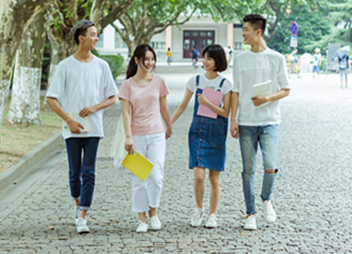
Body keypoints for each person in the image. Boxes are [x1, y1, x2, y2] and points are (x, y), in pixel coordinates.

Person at [45, 19, 118, 234]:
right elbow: (51, 98)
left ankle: (83, 215)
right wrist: (69, 121)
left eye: (97, 35)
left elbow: (113, 97)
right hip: (72, 129)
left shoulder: (101, 66)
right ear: (81, 38)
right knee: (74, 172)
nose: (96, 38)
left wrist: (95, 108)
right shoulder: (65, 66)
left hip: (93, 128)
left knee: (89, 172)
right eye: (93, 34)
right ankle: (77, 205)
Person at [229, 14, 290, 230]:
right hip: (246, 122)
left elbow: (286, 89)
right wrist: (233, 120)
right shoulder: (239, 59)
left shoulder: (276, 58)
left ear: (258, 32)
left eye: (245, 29)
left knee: (271, 165)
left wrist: (267, 99)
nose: (242, 33)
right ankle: (250, 213)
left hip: (269, 121)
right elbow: (235, 90)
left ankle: (266, 199)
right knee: (248, 170)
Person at [171, 44, 232, 229]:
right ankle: (198, 208)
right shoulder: (195, 80)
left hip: (216, 133)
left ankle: (213, 214)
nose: (204, 61)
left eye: (209, 59)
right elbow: (182, 106)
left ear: (218, 61)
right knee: (198, 176)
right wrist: (167, 124)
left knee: (214, 177)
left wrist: (206, 102)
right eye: (204, 57)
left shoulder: (225, 85)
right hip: (197, 132)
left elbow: (226, 112)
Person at [119, 44, 173, 233]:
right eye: (146, 59)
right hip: (136, 136)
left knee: (156, 175)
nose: (149, 63)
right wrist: (128, 137)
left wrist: (169, 125)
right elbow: (125, 113)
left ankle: (153, 213)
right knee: (138, 178)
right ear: (136, 61)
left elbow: (164, 107)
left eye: (152, 59)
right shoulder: (127, 85)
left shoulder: (159, 81)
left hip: (157, 134)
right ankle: (141, 219)